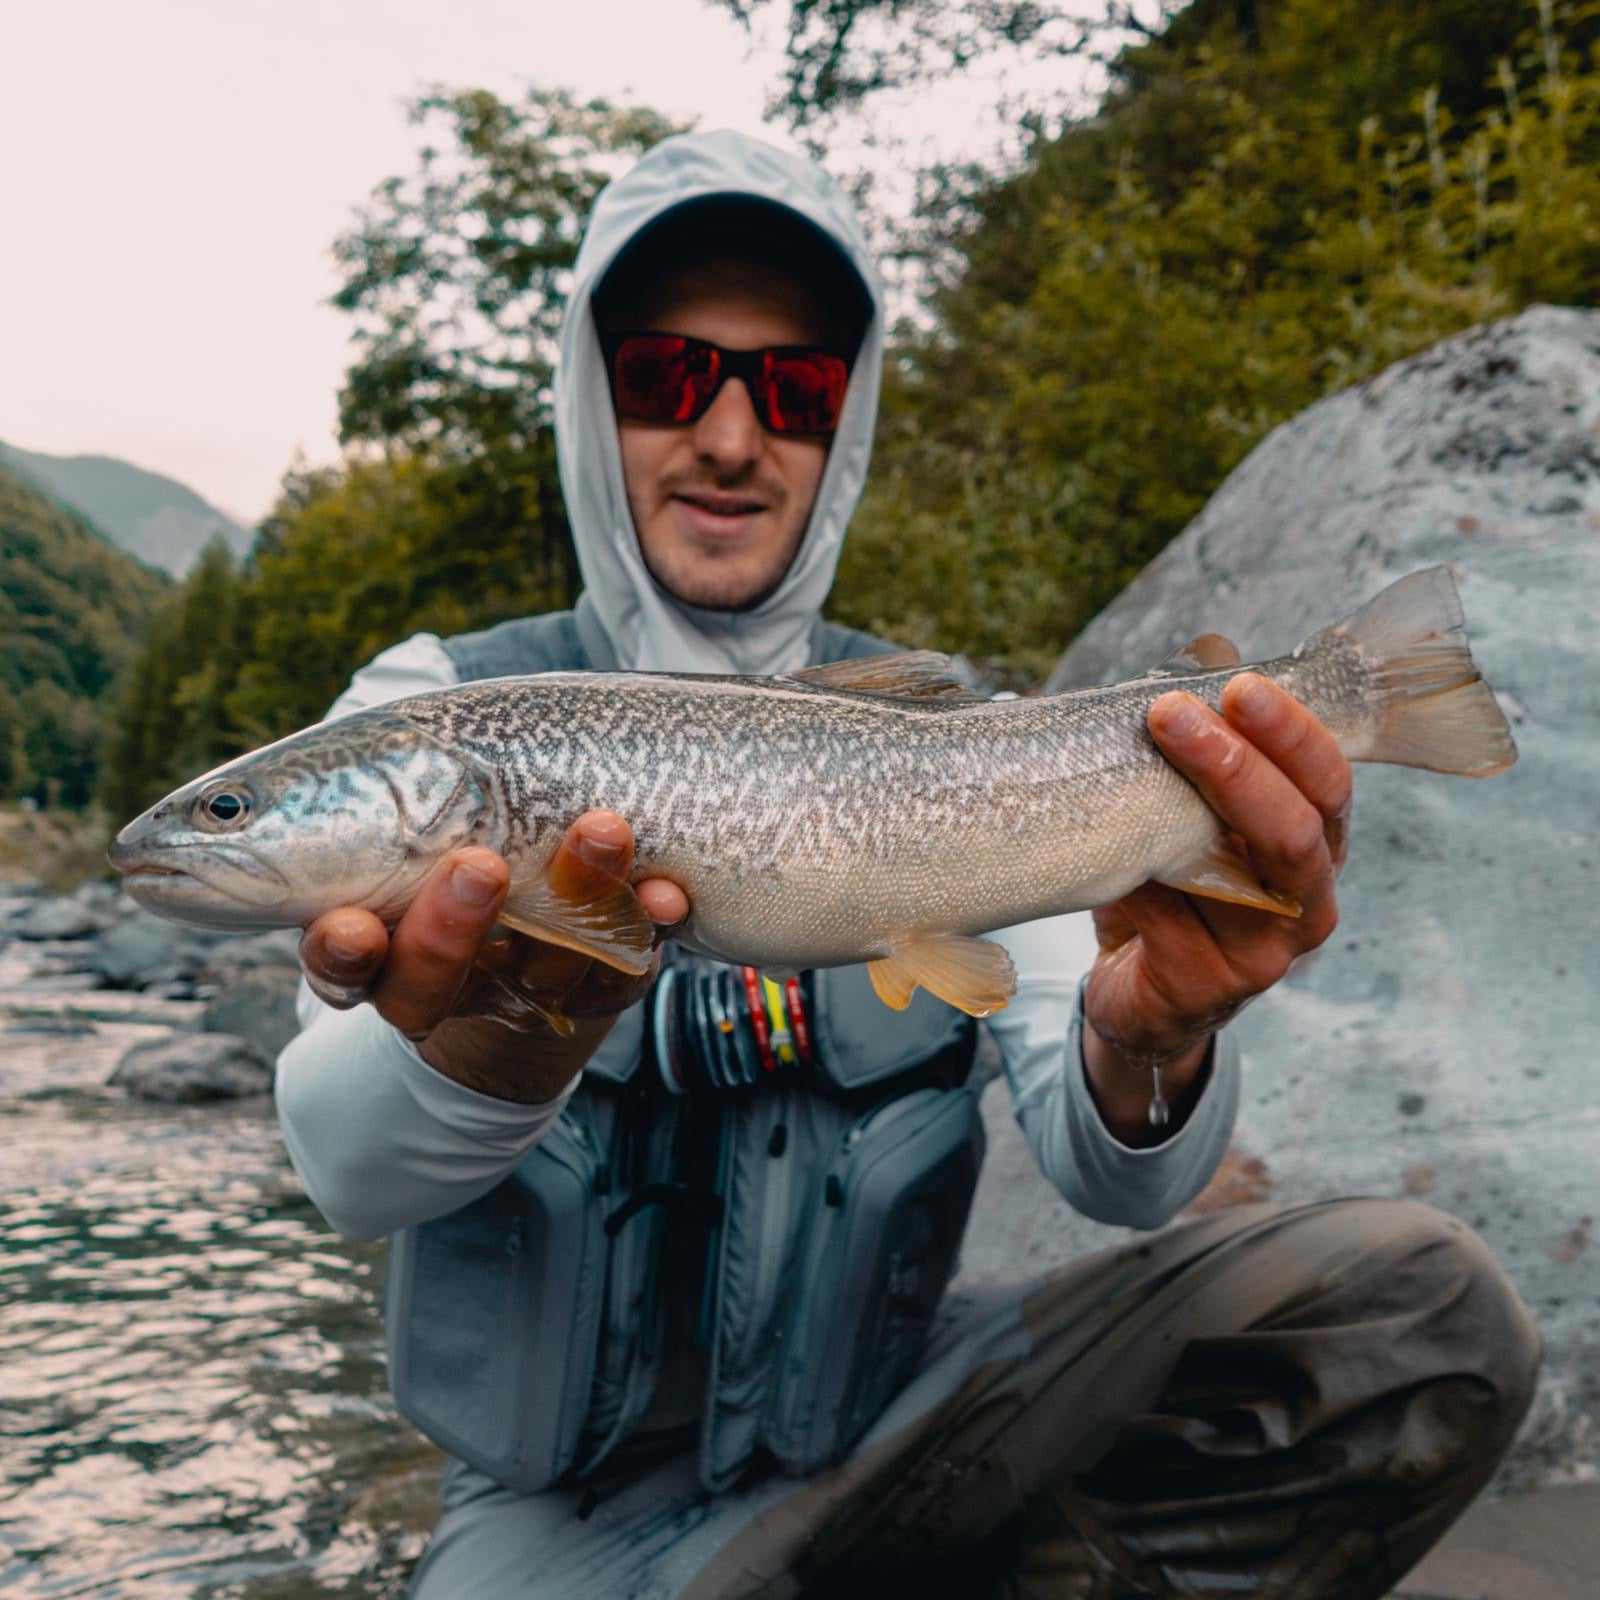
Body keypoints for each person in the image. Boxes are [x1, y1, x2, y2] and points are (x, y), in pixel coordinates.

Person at [275, 130, 1539, 1599]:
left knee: (1421, 1310)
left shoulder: (978, 741)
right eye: (668, 377)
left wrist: (1156, 1036)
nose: (734, 439)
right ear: (588, 392)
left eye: (796, 390)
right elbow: (344, 1168)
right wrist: (483, 1046)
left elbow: (1113, 1173)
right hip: (561, 1523)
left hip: (908, 1431)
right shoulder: (434, 701)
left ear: (848, 421)